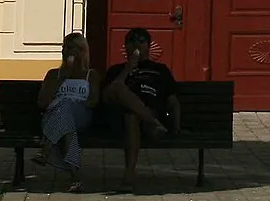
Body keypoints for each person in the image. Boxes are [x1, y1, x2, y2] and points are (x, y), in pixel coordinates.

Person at [101, 26, 183, 189]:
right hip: (120, 118)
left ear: (148, 46)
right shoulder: (116, 70)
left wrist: (176, 127)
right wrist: (127, 70)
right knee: (120, 92)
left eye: (141, 41)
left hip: (151, 112)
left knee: (133, 115)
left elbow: (172, 100)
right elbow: (106, 96)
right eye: (131, 41)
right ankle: (152, 122)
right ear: (125, 47)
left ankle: (129, 173)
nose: (135, 45)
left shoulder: (160, 70)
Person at [36, 31, 96, 192]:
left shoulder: (90, 75)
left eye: (71, 48)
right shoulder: (53, 74)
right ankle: (75, 179)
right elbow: (42, 102)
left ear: (82, 51)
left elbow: (94, 101)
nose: (66, 51)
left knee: (67, 107)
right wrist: (63, 77)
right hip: (52, 116)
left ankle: (46, 149)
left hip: (81, 115)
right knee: (67, 123)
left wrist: (74, 102)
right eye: (64, 47)